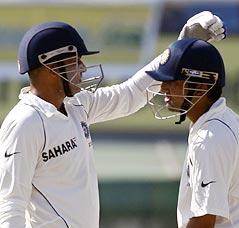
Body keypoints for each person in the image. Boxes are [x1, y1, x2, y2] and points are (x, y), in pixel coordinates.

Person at [0, 11, 225, 228]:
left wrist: (179, 50)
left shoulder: (76, 104)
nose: (82, 68)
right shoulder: (25, 122)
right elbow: (10, 203)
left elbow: (129, 94)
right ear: (50, 67)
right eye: (75, 61)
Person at [146, 38, 239, 227]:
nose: (163, 88)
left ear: (202, 86)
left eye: (174, 81)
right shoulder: (226, 120)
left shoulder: (209, 139)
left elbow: (203, 221)